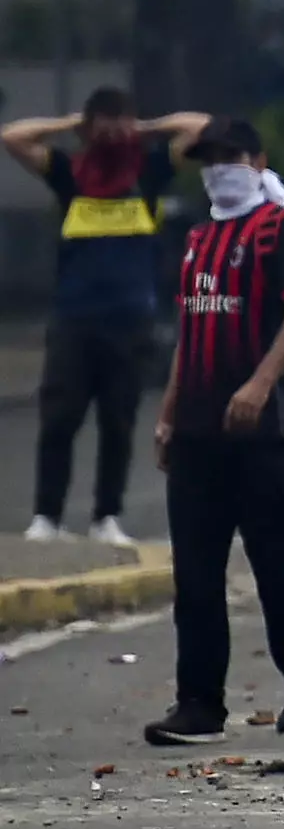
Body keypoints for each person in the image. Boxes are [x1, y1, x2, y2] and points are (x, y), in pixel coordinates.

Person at [143, 117, 284, 747]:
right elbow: (188, 332)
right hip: (199, 430)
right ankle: (198, 702)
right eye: (209, 157)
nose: (219, 166)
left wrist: (258, 383)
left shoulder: (280, 230)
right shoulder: (198, 239)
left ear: (257, 159)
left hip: (266, 432)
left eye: (230, 155)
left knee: (275, 559)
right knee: (195, 572)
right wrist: (169, 413)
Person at [3, 92, 209, 546]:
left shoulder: (150, 171)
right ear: (90, 128)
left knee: (118, 421)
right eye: (104, 123)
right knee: (59, 418)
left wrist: (148, 126)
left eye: (121, 122)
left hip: (129, 319)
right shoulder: (67, 173)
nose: (113, 132)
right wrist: (70, 122)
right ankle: (47, 517)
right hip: (73, 318)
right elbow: (12, 137)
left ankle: (106, 517)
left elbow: (201, 127)